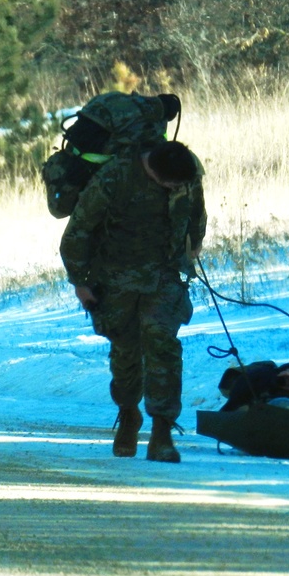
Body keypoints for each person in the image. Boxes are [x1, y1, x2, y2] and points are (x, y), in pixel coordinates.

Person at [60, 140, 207, 463]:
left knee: (163, 345)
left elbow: (196, 213)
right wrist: (80, 283)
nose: (176, 189)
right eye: (170, 184)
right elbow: (78, 231)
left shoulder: (187, 173)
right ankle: (128, 414)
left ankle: (162, 431)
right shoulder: (115, 178)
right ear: (154, 172)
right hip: (116, 279)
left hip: (165, 277)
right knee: (126, 350)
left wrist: (193, 246)